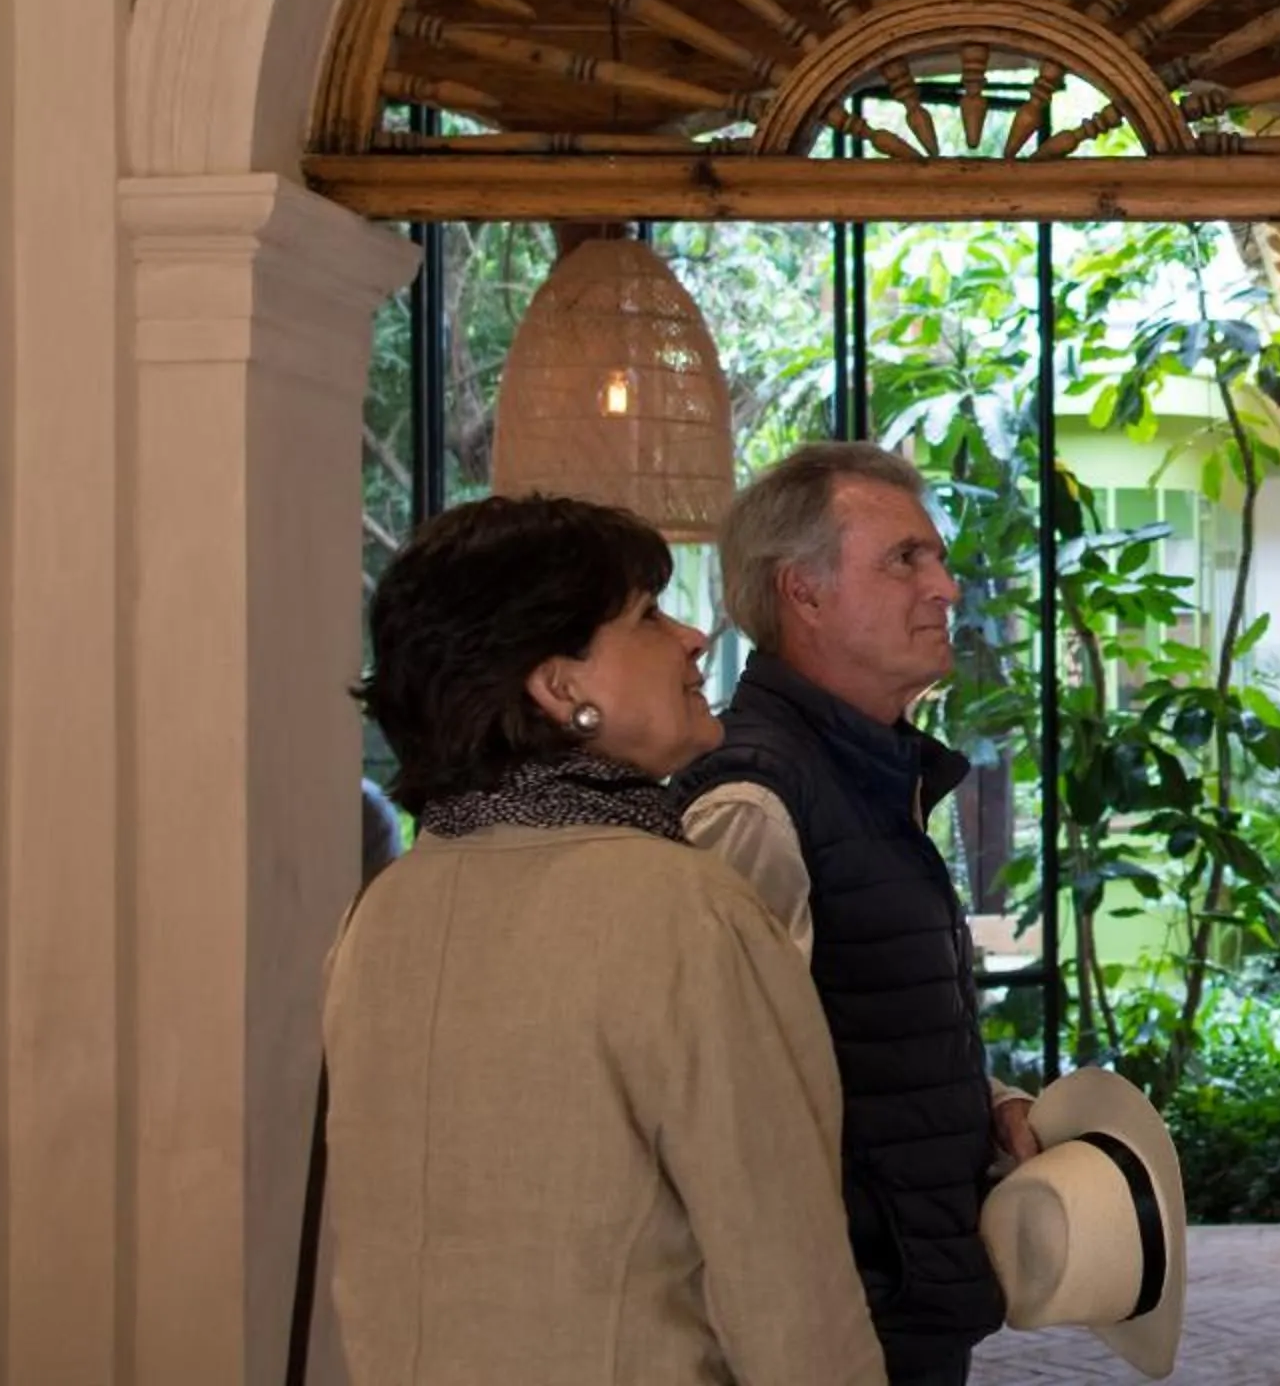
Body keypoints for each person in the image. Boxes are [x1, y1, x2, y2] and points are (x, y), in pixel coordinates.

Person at [325, 494, 885, 1386]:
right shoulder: (678, 903)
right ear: (560, 686)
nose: (694, 638)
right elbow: (787, 1284)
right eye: (647, 616)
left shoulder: (387, 907)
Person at [681, 441, 1038, 1386]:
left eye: (939, 559)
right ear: (802, 592)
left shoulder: (867, 769)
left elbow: (852, 1020)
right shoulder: (753, 800)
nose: (947, 590)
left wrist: (983, 1103)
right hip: (836, 1317)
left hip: (900, 1295)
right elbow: (724, 1096)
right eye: (904, 560)